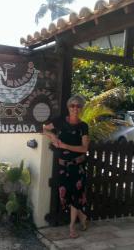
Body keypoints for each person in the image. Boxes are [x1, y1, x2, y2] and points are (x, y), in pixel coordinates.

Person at [43, 94, 90, 238]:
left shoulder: (83, 126)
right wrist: (53, 137)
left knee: (76, 195)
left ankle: (71, 227)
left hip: (78, 166)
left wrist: (64, 145)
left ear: (81, 108)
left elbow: (84, 148)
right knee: (66, 196)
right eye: (72, 105)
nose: (75, 108)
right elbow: (44, 128)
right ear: (68, 107)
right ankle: (82, 216)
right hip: (63, 166)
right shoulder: (60, 122)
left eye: (78, 106)